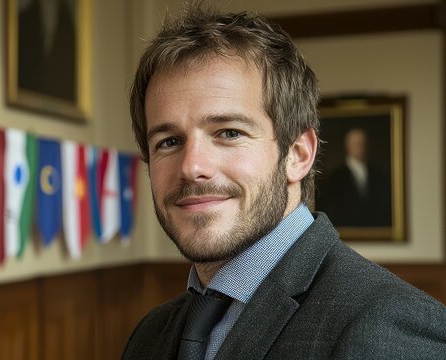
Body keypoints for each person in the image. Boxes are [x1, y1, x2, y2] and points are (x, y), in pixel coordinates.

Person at [122, 4, 446, 360]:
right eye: (168, 141)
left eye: (229, 132)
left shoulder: (388, 327)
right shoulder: (149, 335)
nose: (192, 167)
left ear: (298, 155)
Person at [318, 127, 391, 227]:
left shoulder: (378, 175)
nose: (361, 147)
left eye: (363, 143)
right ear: (347, 146)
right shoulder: (334, 178)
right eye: (357, 144)